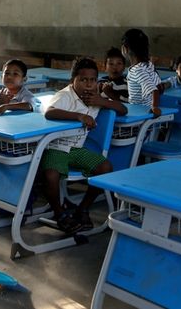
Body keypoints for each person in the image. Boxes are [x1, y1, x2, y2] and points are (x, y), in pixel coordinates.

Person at [40, 57, 126, 234]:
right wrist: (79, 117)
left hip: (77, 149)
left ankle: (83, 208)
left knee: (105, 167)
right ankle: (59, 214)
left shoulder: (96, 97)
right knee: (51, 175)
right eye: (83, 80)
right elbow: (50, 112)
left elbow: (123, 109)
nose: (88, 84)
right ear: (73, 81)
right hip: (56, 147)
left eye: (93, 80)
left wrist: (102, 102)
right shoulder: (66, 95)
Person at [121, 28, 162, 117]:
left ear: (125, 49)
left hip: (140, 112)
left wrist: (154, 107)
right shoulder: (148, 65)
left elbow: (154, 89)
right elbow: (159, 86)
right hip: (140, 109)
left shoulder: (137, 70)